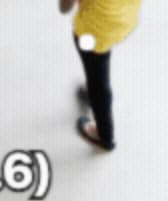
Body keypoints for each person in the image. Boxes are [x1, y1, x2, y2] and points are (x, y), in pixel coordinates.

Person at [58, 0, 142, 151]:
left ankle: (104, 136)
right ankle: (92, 87)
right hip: (124, 20)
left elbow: (64, 8)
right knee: (98, 66)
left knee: (98, 83)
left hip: (93, 32)